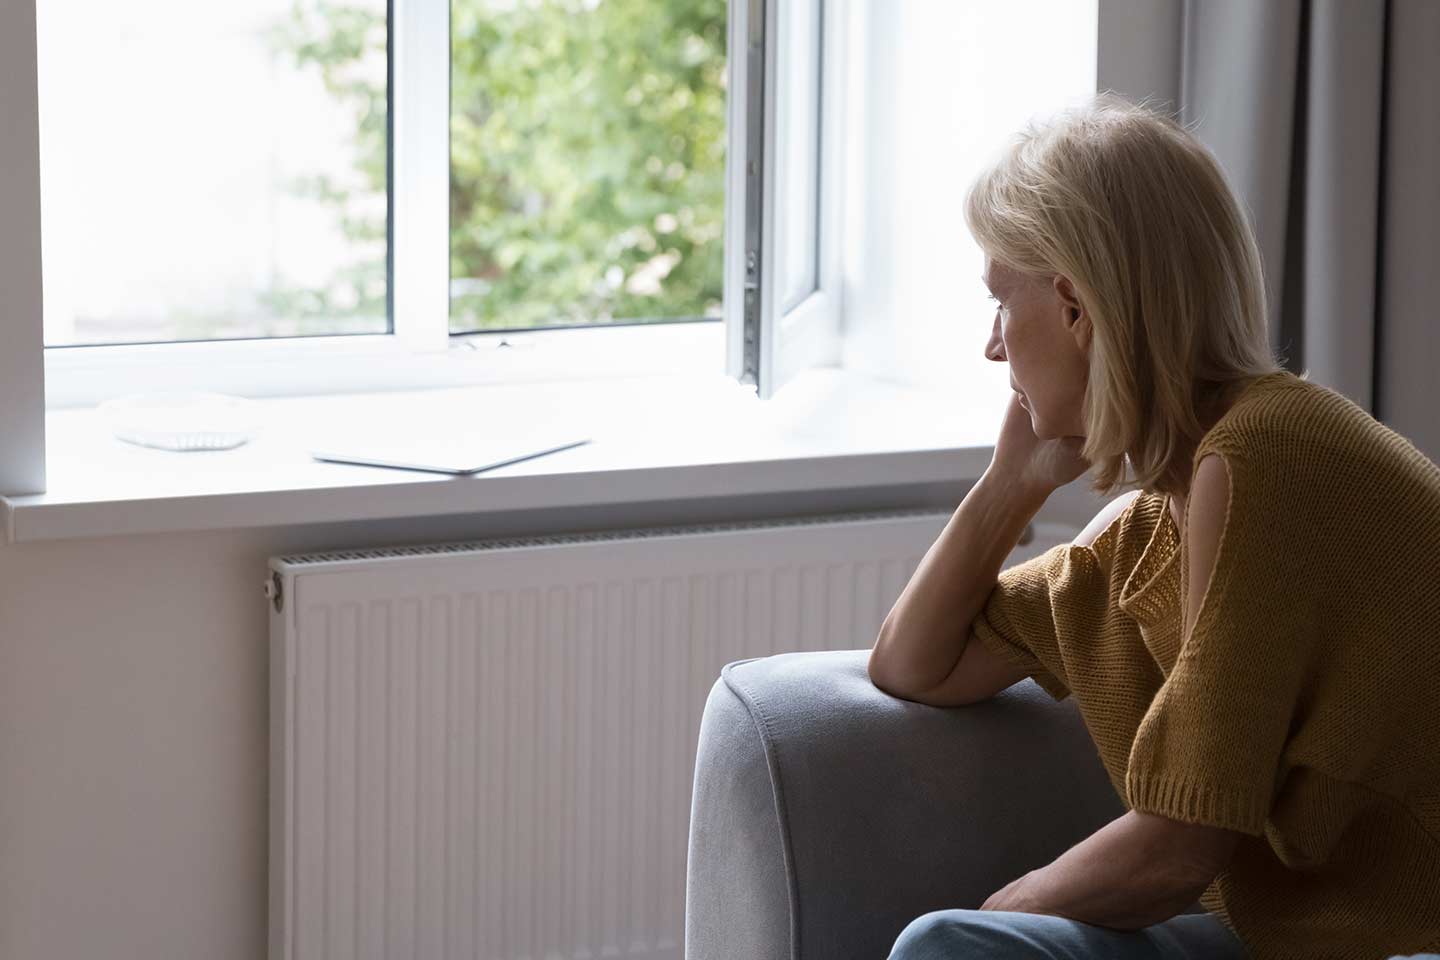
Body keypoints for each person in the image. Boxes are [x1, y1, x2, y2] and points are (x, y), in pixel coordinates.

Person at [868, 92, 1440, 960]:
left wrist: (1002, 909)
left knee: (954, 948)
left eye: (1000, 300)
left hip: (1409, 937)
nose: (993, 346)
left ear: (1074, 308)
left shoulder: (1268, 456)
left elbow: (1181, 843)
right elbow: (914, 665)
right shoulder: (1145, 530)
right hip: (1308, 940)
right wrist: (1008, 486)